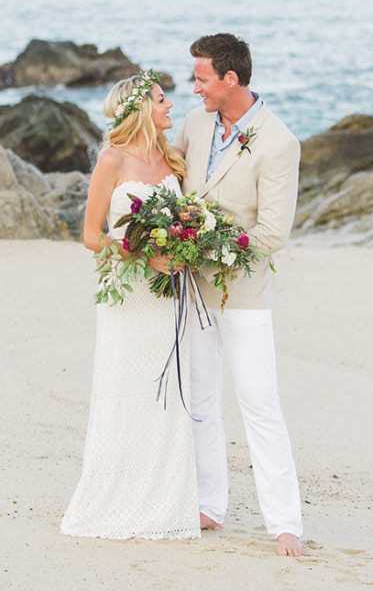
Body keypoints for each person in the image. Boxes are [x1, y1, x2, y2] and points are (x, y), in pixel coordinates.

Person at [174, 33, 305, 557]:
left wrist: (204, 244)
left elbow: (272, 233)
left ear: (230, 79)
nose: (195, 87)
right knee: (201, 401)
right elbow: (173, 189)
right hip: (192, 290)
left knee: (259, 403)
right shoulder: (194, 122)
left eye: (202, 77)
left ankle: (285, 522)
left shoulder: (279, 142)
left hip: (243, 293)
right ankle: (209, 505)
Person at [61, 70, 200, 540]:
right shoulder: (112, 159)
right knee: (126, 387)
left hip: (168, 296)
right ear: (141, 106)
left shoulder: (174, 158)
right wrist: (146, 255)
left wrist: (185, 247)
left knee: (167, 393)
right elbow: (90, 235)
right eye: (162, 100)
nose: (169, 107)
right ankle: (116, 496)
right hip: (130, 291)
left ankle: (166, 500)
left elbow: (187, 217)